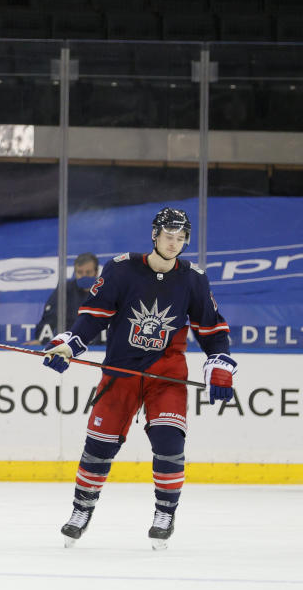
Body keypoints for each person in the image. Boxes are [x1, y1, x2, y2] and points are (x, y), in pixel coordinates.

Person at [41, 208, 235, 551]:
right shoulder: (122, 268)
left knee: (169, 443)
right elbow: (93, 315)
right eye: (168, 236)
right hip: (122, 372)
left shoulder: (194, 278)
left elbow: (211, 329)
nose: (174, 244)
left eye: (180, 238)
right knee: (98, 447)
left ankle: (165, 515)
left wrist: (219, 364)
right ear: (155, 236)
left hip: (167, 375)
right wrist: (69, 346)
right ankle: (81, 511)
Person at [25, 252, 100, 346]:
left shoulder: (107, 291)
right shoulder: (65, 290)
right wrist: (42, 340)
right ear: (75, 272)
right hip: (70, 345)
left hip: (101, 347)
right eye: (80, 272)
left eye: (88, 272)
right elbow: (50, 317)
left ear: (96, 272)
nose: (84, 276)